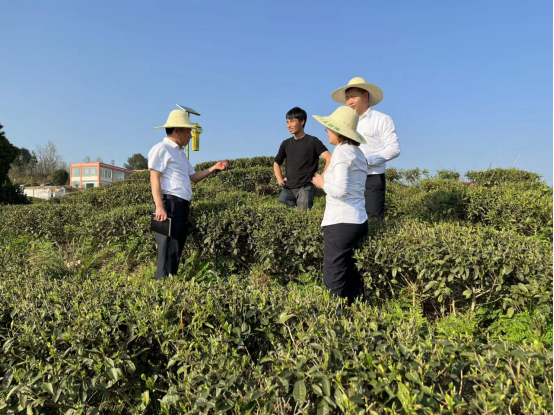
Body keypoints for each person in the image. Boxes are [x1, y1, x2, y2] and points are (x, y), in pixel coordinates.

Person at [148, 110, 228, 279]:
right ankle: (160, 292)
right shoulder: (161, 149)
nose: (191, 136)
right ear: (177, 130)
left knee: (175, 250)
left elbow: (193, 178)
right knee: (167, 251)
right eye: (188, 131)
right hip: (169, 204)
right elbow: (154, 179)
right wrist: (159, 207)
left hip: (181, 205)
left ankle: (169, 287)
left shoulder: (180, 153)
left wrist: (214, 168)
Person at [311, 106, 369, 305]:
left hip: (341, 222)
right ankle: (356, 316)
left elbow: (340, 190)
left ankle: (334, 323)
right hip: (358, 220)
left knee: (333, 275)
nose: (326, 131)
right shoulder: (358, 153)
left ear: (338, 131)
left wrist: (321, 183)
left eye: (328, 128)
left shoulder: (342, 153)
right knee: (351, 273)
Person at [331, 77, 400, 220]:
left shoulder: (382, 119)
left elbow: (394, 148)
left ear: (366, 96)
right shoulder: (344, 123)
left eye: (353, 96)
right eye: (347, 98)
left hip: (372, 178)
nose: (349, 101)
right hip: (349, 178)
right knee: (350, 218)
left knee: (373, 220)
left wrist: (367, 161)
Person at [274, 107, 332, 210]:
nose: (289, 125)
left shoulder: (313, 141)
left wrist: (322, 176)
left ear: (302, 122)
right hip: (288, 188)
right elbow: (276, 162)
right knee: (280, 216)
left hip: (305, 188)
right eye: (287, 122)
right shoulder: (286, 143)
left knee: (303, 219)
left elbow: (329, 158)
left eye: (292, 121)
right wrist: (279, 179)